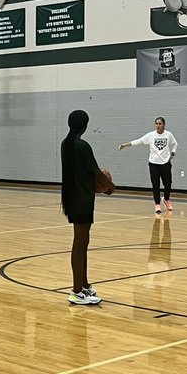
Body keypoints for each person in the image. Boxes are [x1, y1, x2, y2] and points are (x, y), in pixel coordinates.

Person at [62, 109, 113, 306]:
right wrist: (110, 187)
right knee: (80, 243)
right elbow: (95, 172)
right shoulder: (82, 145)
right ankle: (76, 291)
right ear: (85, 125)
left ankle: (83, 286)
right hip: (81, 198)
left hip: (74, 196)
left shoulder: (66, 144)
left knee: (83, 243)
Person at [118, 116, 178, 216]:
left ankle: (166, 199)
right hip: (154, 164)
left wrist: (173, 153)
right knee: (156, 185)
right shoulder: (151, 135)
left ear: (164, 125)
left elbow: (175, 143)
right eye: (157, 124)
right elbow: (139, 141)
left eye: (160, 124)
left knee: (168, 183)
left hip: (165, 164)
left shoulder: (168, 135)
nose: (158, 126)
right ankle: (157, 204)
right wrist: (125, 145)